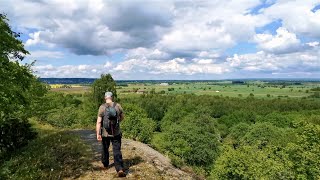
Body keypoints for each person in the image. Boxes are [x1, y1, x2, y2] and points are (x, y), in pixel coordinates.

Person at [96, 91, 126, 177]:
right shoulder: (118, 106)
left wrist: (98, 133)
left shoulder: (102, 107)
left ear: (105, 97)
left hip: (105, 134)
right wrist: (117, 122)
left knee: (105, 149)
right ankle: (119, 169)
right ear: (112, 97)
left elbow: (98, 122)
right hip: (116, 133)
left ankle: (105, 165)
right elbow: (122, 117)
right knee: (117, 150)